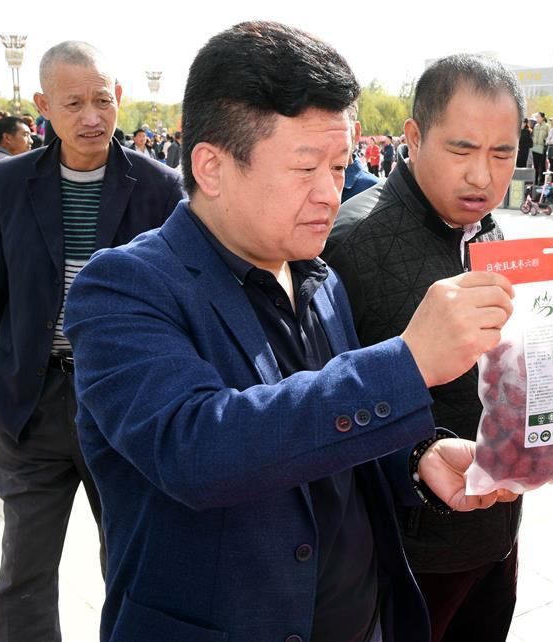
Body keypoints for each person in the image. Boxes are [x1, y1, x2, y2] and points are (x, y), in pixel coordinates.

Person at [63, 23, 516, 642]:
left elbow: (328, 433)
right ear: (212, 167)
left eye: (340, 165)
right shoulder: (123, 289)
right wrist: (407, 363)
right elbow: (199, 449)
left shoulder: (316, 276)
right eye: (306, 168)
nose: (331, 193)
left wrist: (418, 460)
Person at [0, 41, 185, 642]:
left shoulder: (159, 188)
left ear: (118, 97)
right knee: (23, 575)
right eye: (73, 103)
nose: (92, 116)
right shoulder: (6, 182)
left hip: (123, 406)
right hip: (32, 408)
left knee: (130, 567)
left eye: (102, 99)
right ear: (43, 105)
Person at [322, 53, 523, 642]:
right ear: (413, 137)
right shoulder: (351, 244)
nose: (483, 178)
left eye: (502, 154)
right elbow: (322, 405)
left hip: (496, 529)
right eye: (462, 150)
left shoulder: (489, 231)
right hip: (405, 554)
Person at [531, 111, 548, 185]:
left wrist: (545, 143)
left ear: (542, 118)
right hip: (535, 146)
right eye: (536, 117)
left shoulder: (546, 126)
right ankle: (535, 180)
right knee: (535, 165)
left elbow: (548, 136)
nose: (537, 118)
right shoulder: (536, 126)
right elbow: (533, 135)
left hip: (542, 146)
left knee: (542, 165)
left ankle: (542, 181)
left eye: (538, 117)